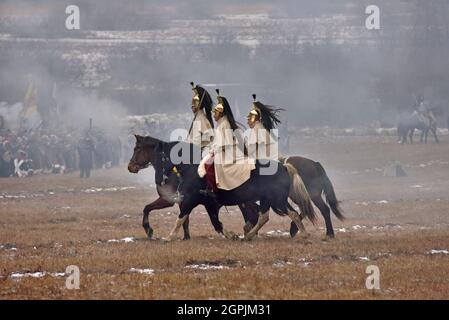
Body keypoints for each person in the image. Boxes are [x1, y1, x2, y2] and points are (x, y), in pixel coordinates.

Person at [198, 89, 255, 196]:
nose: (214, 115)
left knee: (208, 165)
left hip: (228, 152)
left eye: (215, 113)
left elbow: (226, 143)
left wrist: (215, 150)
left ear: (221, 113)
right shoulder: (221, 123)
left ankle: (211, 189)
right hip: (222, 150)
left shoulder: (225, 124)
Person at [247, 94, 283, 162]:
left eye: (248, 120)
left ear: (253, 119)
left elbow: (250, 149)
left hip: (269, 161)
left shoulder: (256, 129)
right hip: (275, 158)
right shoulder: (261, 127)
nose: (247, 122)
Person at [185, 82, 214, 156]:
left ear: (198, 105)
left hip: (200, 154)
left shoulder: (199, 119)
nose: (192, 106)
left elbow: (196, 143)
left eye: (194, 104)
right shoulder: (200, 117)